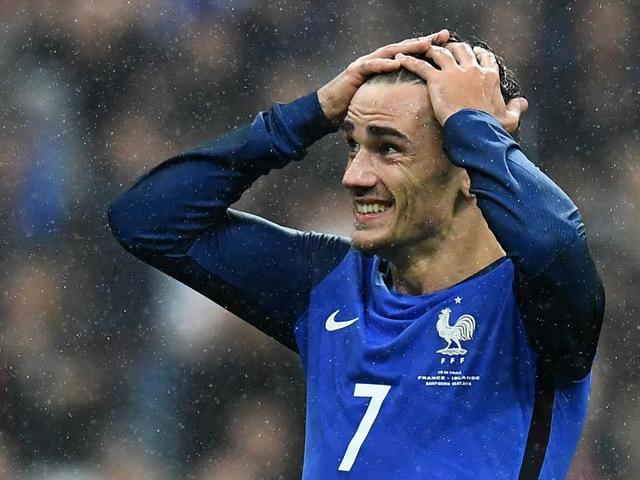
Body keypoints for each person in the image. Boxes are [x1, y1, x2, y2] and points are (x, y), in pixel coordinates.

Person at [108, 29, 604, 479]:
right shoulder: (327, 284)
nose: (354, 176)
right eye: (352, 145)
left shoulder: (534, 304)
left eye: (388, 149)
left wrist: (475, 129)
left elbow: (555, 245)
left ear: (471, 169)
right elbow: (148, 220)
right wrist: (309, 114)